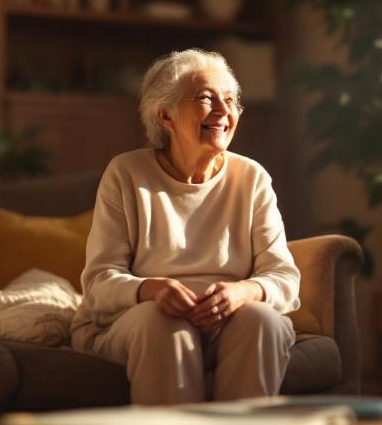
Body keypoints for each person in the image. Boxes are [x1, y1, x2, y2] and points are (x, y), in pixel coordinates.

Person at [71, 49, 301, 404]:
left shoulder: (251, 178)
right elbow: (99, 283)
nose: (224, 112)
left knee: (262, 321)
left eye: (230, 101)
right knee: (164, 325)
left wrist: (244, 293)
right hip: (140, 322)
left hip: (228, 324)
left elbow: (285, 279)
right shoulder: (126, 174)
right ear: (166, 115)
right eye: (207, 99)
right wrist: (151, 290)